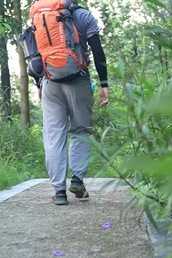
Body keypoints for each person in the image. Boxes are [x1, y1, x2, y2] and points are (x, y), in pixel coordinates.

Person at [37, 4, 109, 205]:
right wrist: (104, 84)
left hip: (50, 82)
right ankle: (77, 180)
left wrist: (38, 83)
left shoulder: (41, 17)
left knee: (53, 136)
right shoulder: (84, 16)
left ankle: (59, 192)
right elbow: (97, 50)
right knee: (81, 131)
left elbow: (35, 53)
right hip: (78, 81)